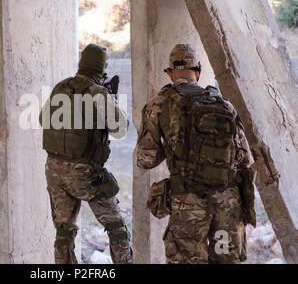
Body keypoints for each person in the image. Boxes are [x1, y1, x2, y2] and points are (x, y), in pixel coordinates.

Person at [136, 44, 255, 264]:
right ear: (197, 71)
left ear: (170, 73)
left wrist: (172, 144)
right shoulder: (224, 104)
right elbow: (246, 158)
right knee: (226, 259)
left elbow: (146, 159)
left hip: (189, 204)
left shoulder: (158, 105)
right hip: (227, 203)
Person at [40, 43, 133, 264]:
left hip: (54, 170)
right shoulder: (97, 93)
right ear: (101, 68)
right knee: (116, 227)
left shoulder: (60, 87)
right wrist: (113, 100)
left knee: (64, 231)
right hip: (84, 174)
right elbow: (120, 129)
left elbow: (43, 120)